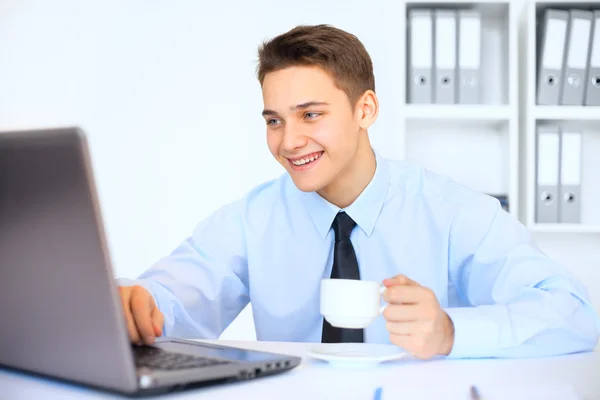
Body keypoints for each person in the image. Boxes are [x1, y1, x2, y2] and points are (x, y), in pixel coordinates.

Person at [117, 24, 600, 360]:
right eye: (274, 121)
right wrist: (135, 301)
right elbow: (174, 297)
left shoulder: (454, 213)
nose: (288, 141)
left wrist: (453, 332)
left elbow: (574, 316)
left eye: (311, 114)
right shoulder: (252, 219)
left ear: (365, 109)